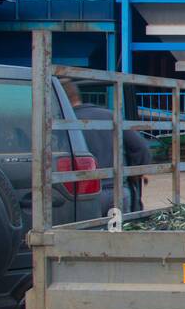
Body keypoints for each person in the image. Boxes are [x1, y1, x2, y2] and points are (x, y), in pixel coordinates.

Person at [62, 79, 153, 212]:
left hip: (87, 195)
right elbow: (140, 146)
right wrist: (136, 171)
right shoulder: (110, 116)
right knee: (119, 231)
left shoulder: (63, 123)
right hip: (119, 191)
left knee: (92, 232)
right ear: (76, 95)